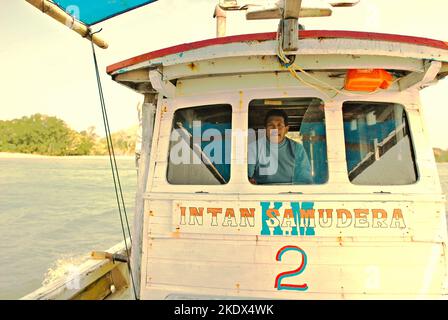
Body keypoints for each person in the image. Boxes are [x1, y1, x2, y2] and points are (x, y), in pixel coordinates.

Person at [248, 109, 312, 185]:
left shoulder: (297, 148)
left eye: (279, 125)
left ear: (286, 129)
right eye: (270, 125)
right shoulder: (254, 148)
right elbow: (248, 178)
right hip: (263, 194)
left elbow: (305, 180)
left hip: (291, 193)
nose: (275, 129)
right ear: (265, 129)